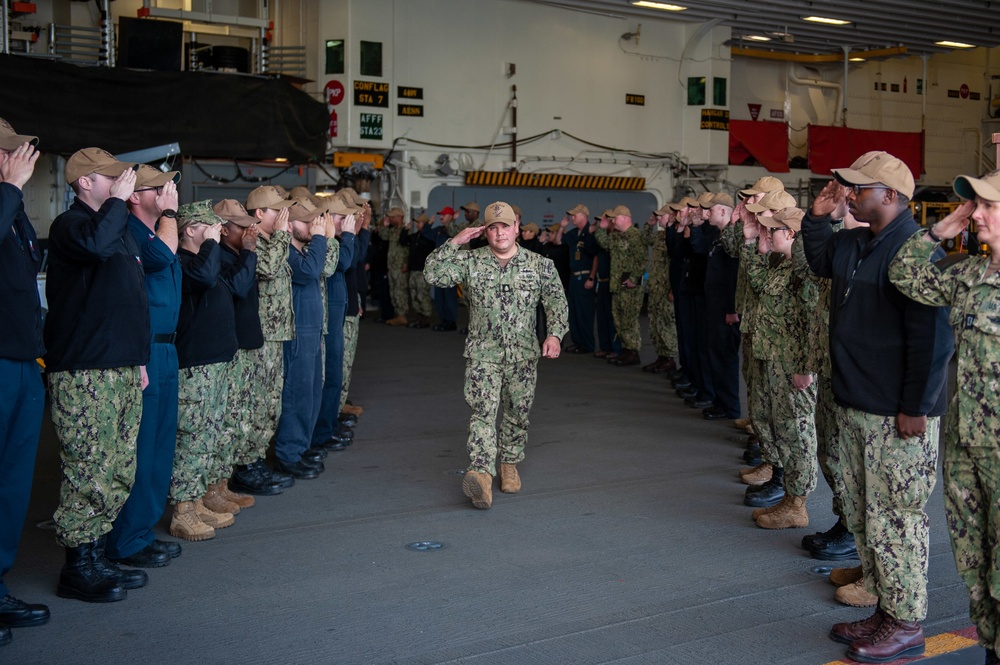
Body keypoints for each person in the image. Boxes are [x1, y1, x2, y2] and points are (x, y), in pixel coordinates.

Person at [802, 151, 953, 663]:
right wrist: (817, 216)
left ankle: (907, 624)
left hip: (896, 415)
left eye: (858, 188)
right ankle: (886, 609)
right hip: (854, 403)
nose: (850, 193)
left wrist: (917, 406)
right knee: (868, 517)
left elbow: (933, 340)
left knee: (899, 520)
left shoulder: (916, 252)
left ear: (890, 195)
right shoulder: (854, 242)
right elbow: (820, 260)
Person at [888, 171, 1000, 665]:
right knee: (975, 566)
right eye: (974, 206)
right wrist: (935, 233)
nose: (974, 215)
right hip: (964, 447)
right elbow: (904, 275)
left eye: (986, 207)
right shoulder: (970, 275)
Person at [46, 148, 148, 603]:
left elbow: (128, 298)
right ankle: (77, 568)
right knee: (89, 467)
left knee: (117, 466)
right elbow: (95, 245)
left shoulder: (115, 228)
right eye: (109, 178)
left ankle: (98, 553)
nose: (120, 184)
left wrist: (138, 357)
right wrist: (117, 205)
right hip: (86, 370)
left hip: (120, 364)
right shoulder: (71, 226)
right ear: (85, 183)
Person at [424, 201, 568, 510]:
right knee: (483, 414)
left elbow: (556, 301)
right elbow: (434, 274)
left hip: (523, 355)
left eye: (505, 226)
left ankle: (509, 463)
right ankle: (482, 475)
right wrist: (454, 242)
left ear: (517, 227)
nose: (500, 232)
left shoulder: (540, 265)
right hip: (483, 354)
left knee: (518, 412)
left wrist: (554, 334)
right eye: (493, 227)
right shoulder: (471, 261)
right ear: (485, 232)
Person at [106, 165, 183, 568]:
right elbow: (159, 258)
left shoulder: (156, 231)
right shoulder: (134, 231)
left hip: (167, 350)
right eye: (160, 187)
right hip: (146, 350)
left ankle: (142, 530)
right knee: (140, 446)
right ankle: (126, 537)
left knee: (159, 446)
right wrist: (170, 215)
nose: (170, 191)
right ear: (135, 196)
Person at [168, 201, 244, 540]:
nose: (216, 231)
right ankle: (182, 509)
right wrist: (213, 243)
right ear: (189, 230)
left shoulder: (207, 259)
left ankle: (197, 498)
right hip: (195, 364)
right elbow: (202, 277)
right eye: (208, 227)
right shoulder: (183, 263)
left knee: (209, 434)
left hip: (217, 360)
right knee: (192, 435)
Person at [0, 120, 49, 642]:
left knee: (13, 483)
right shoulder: (7, 199)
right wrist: (9, 189)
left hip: (20, 360)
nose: (22, 157)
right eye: (10, 151)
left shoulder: (12, 209)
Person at [237, 185, 296, 492]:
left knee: (270, 402)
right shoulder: (252, 240)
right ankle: (246, 465)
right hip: (259, 337)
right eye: (278, 210)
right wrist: (284, 234)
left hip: (275, 334)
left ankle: (256, 459)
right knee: (256, 402)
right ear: (259, 214)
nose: (284, 216)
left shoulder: (273, 241)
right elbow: (269, 269)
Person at [595, 205, 647, 367]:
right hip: (617, 286)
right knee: (619, 319)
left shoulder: (635, 236)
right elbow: (604, 243)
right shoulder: (616, 237)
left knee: (629, 320)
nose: (612, 221)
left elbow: (642, 260)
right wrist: (601, 229)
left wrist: (633, 278)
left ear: (624, 218)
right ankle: (625, 350)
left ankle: (633, 351)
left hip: (630, 288)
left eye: (614, 218)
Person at [642, 205, 678, 373]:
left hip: (665, 289)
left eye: (660, 216)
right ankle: (661, 356)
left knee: (666, 324)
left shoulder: (675, 236)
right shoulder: (659, 236)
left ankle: (670, 359)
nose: (658, 219)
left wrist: (673, 289)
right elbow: (644, 238)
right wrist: (649, 224)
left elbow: (676, 265)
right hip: (655, 288)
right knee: (655, 324)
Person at [557, 204, 597, 355]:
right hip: (574, 277)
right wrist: (562, 227)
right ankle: (577, 342)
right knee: (573, 312)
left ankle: (587, 344)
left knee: (584, 312)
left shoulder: (591, 231)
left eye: (575, 215)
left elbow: (596, 257)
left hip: (585, 276)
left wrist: (592, 277)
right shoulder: (574, 233)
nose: (572, 217)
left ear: (583, 216)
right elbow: (558, 241)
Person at [401, 212, 435, 329]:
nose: (417, 224)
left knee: (422, 295)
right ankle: (419, 316)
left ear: (425, 224)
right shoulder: (415, 236)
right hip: (414, 270)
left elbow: (429, 239)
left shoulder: (428, 237)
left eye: (419, 222)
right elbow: (403, 241)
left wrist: (427, 227)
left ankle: (426, 317)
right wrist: (406, 229)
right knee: (414, 294)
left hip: (423, 271)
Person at [379, 206, 409, 326]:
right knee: (393, 290)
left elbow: (408, 248)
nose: (390, 219)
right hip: (391, 266)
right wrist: (384, 226)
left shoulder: (405, 230)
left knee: (400, 291)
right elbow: (383, 236)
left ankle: (402, 315)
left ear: (399, 217)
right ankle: (398, 315)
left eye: (392, 217)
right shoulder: (392, 230)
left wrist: (406, 263)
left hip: (400, 265)